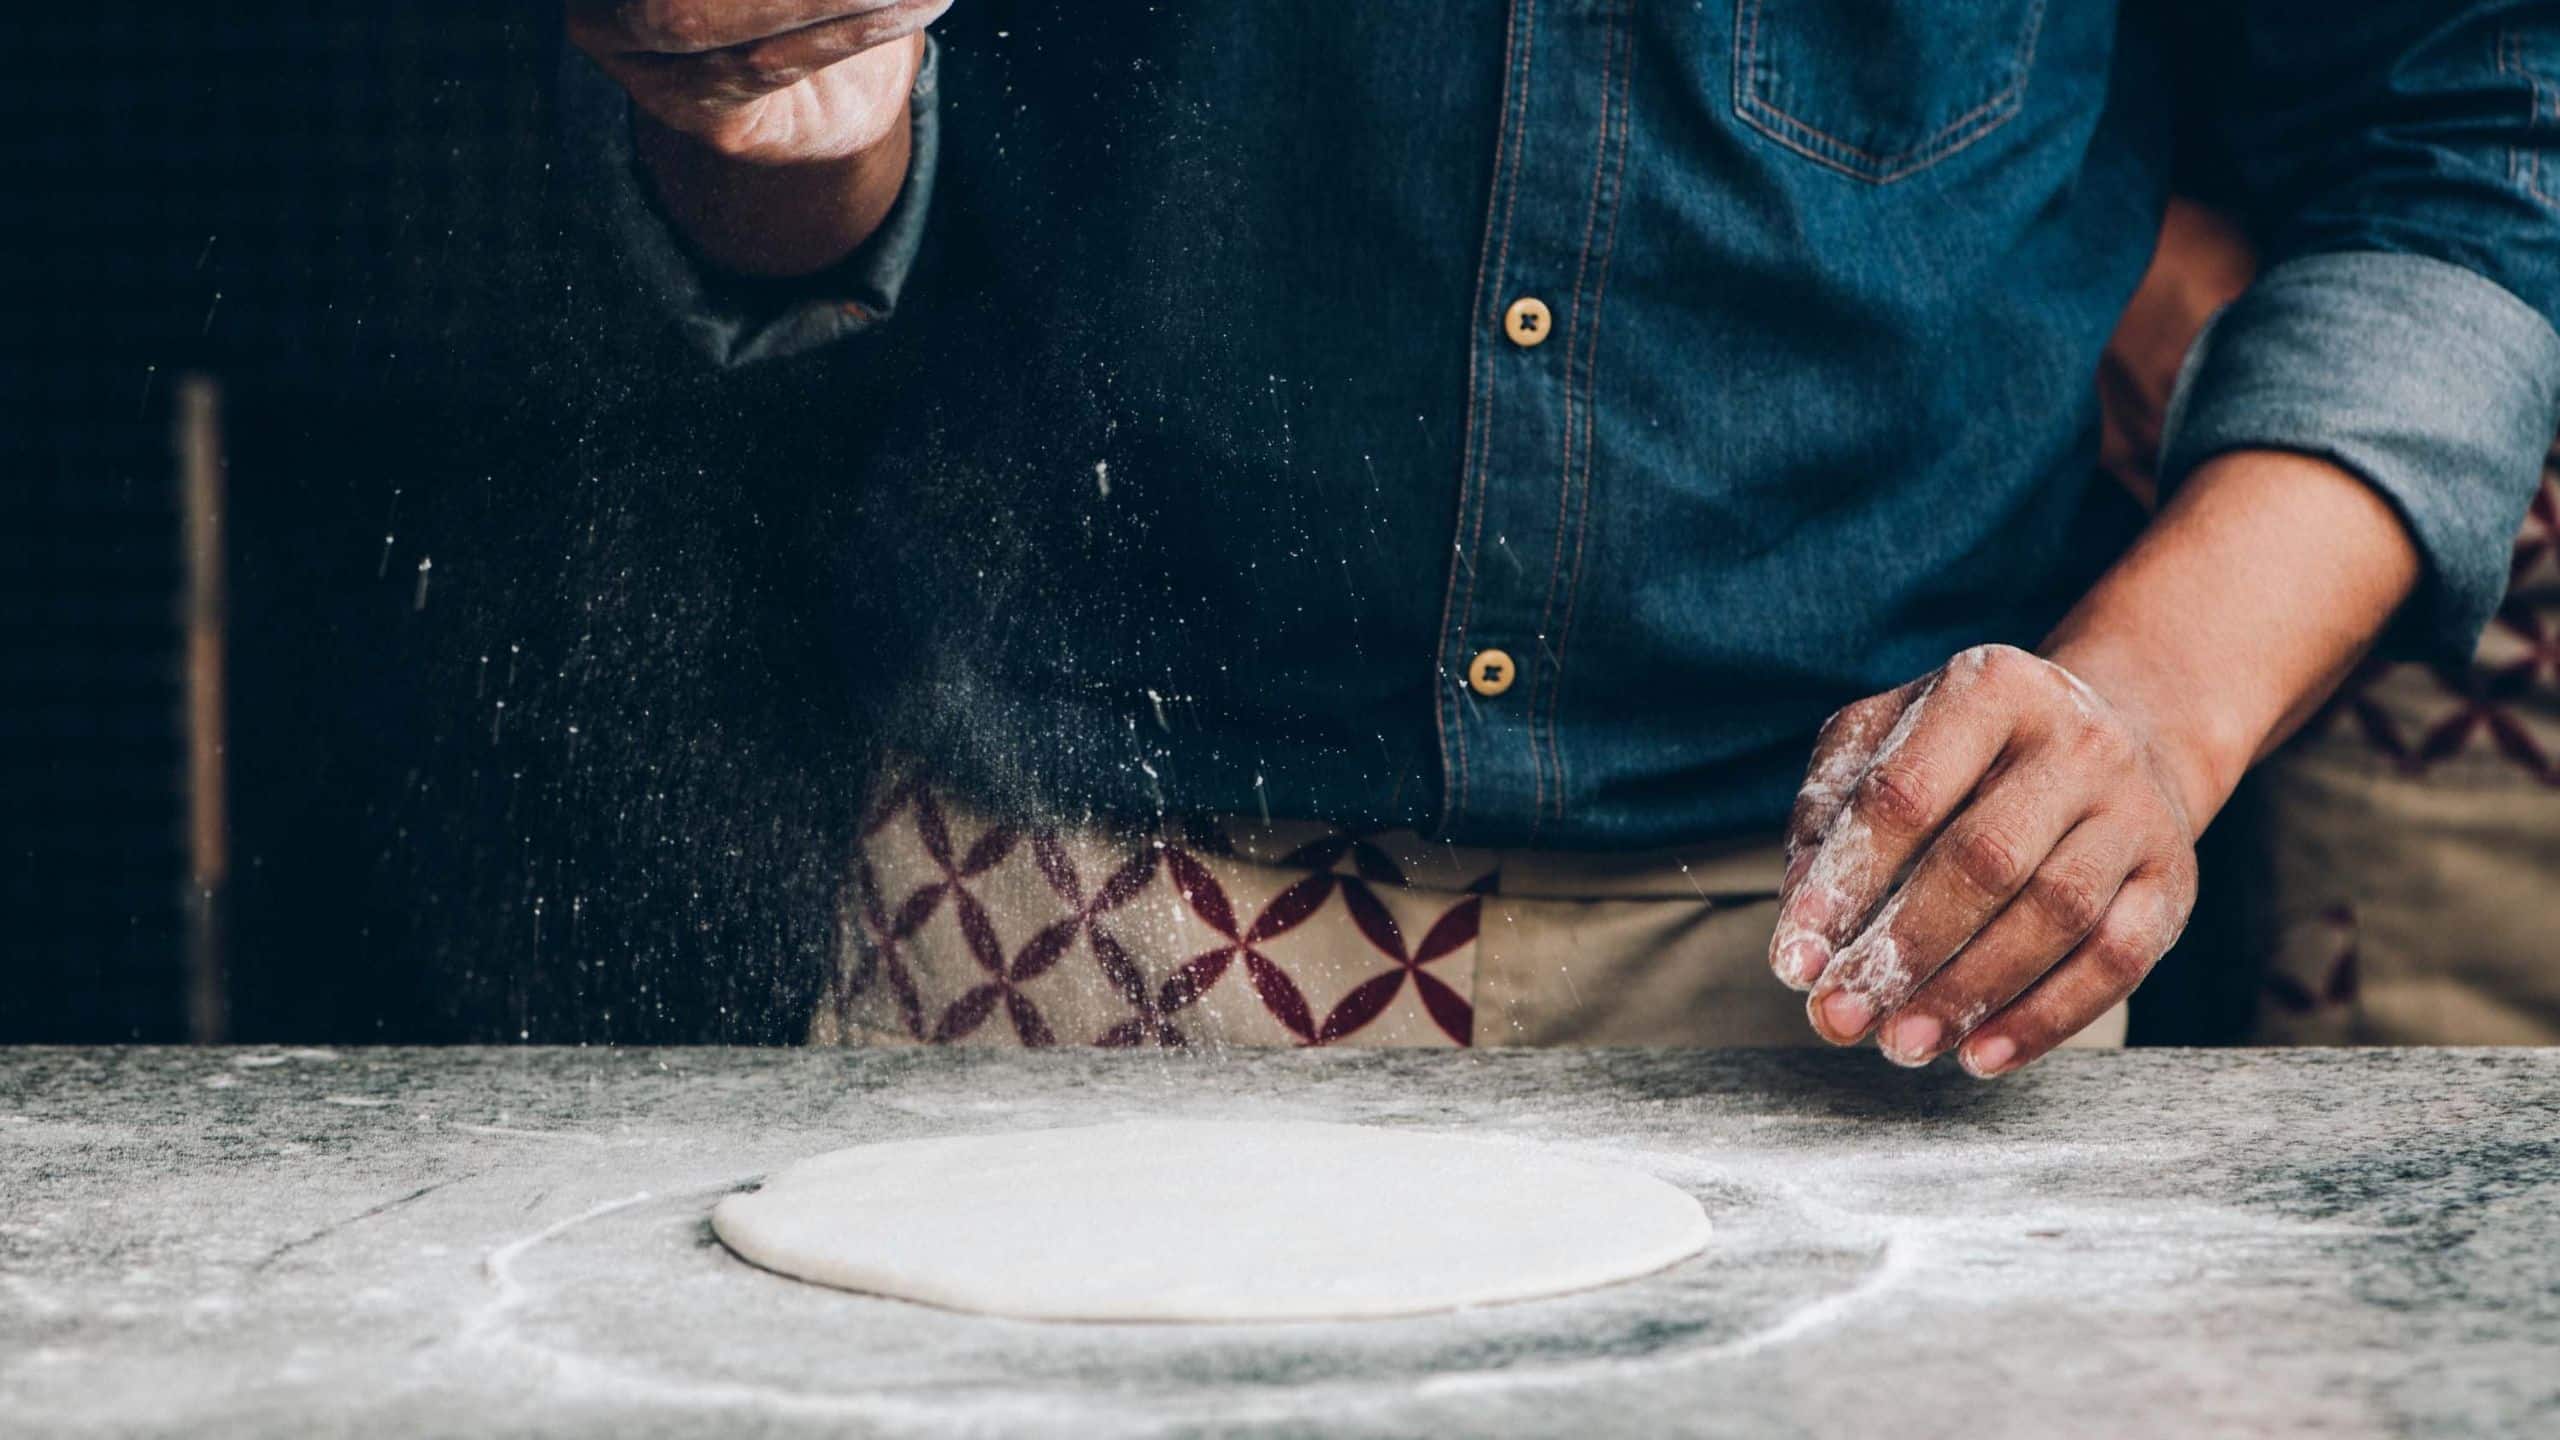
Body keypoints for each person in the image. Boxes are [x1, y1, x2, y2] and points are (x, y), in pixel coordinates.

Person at [562, 2, 2560, 1070]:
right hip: (1084, 935)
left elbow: (2467, 133)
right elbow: (787, 236)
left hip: (1876, 977)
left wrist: (2148, 707)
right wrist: (753, 97)